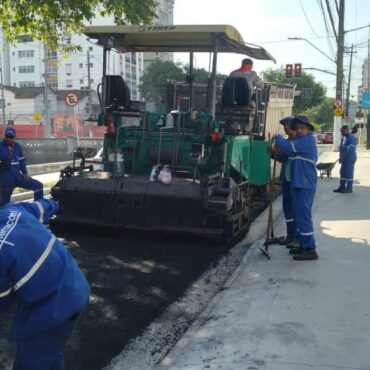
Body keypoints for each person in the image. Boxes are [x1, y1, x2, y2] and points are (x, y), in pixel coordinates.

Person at [0, 198, 90, 370]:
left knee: (30, 359)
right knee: (48, 351)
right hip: (75, 284)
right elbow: (43, 206)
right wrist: (58, 204)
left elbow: (2, 299)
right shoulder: (12, 210)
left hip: (52, 306)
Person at [274, 115, 319, 261]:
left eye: (302, 128)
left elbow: (286, 147)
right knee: (299, 216)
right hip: (298, 183)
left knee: (303, 216)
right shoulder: (298, 141)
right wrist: (273, 153)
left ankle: (310, 249)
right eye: (297, 128)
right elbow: (286, 154)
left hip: (304, 184)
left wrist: (277, 137)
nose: (299, 130)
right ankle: (302, 245)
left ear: (308, 130)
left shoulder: (307, 141)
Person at [270, 116, 297, 246]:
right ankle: (290, 234)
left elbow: (288, 150)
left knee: (294, 209)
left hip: (295, 180)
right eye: (284, 126)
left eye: (288, 125)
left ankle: (295, 236)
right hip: (286, 180)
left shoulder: (296, 141)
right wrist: (272, 154)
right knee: (287, 208)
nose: (285, 128)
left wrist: (277, 137)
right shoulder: (288, 141)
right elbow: (284, 158)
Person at [0, 127, 43, 206]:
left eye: (11, 137)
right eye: (7, 136)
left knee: (38, 186)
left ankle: (38, 208)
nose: (9, 139)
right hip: (5, 180)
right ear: (4, 136)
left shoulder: (17, 146)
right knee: (4, 205)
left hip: (18, 177)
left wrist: (25, 173)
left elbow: (22, 160)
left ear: (15, 137)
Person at [333, 125, 357, 193]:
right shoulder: (344, 138)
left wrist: (343, 157)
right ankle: (342, 187)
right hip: (344, 159)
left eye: (343, 131)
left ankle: (349, 188)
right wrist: (341, 157)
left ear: (347, 130)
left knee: (348, 173)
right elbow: (342, 148)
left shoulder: (351, 137)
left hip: (350, 158)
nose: (341, 132)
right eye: (341, 131)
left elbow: (351, 149)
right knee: (342, 172)